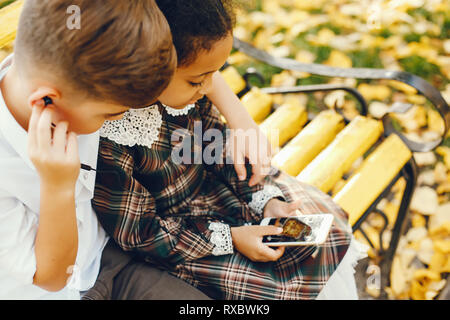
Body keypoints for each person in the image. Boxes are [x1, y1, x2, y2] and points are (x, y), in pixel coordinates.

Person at [91, 0, 368, 300]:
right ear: (151, 64)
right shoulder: (114, 136)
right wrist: (232, 238)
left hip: (218, 195)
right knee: (274, 285)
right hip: (182, 238)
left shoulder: (191, 93)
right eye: (199, 79)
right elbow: (139, 233)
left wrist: (264, 201)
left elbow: (219, 150)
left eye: (215, 74)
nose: (210, 86)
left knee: (314, 231)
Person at [0, 0, 210, 300]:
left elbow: (195, 45)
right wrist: (58, 188)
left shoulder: (82, 81)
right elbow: (51, 278)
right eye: (111, 114)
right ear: (46, 101)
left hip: (109, 260)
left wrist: (237, 114)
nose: (122, 118)